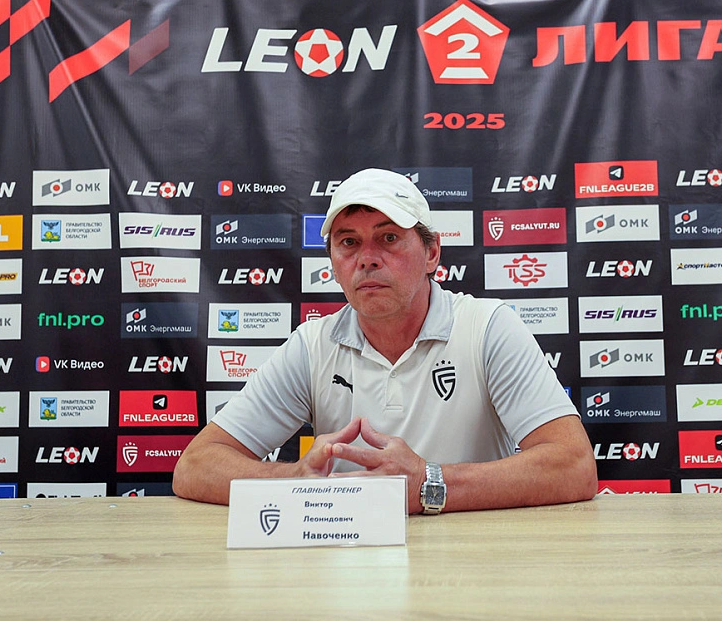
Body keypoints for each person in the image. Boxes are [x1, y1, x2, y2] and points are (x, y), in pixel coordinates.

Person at [172, 168, 597, 512]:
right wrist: (295, 481)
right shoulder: (313, 345)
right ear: (333, 264)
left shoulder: (487, 328)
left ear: (432, 253)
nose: (367, 258)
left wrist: (429, 483)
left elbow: (574, 466)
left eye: (389, 238)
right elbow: (196, 466)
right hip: (351, 566)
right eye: (348, 242)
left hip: (473, 565)